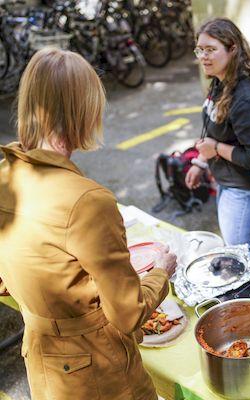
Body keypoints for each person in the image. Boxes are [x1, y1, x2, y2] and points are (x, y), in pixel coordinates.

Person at [0, 48, 177, 400]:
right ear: (83, 110)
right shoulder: (87, 201)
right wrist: (161, 271)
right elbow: (128, 315)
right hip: (99, 374)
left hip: (42, 362)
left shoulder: (5, 176)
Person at [185, 17, 250, 261]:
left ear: (232, 49)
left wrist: (216, 149)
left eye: (211, 49)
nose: (203, 56)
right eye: (200, 49)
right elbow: (214, 126)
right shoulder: (220, 81)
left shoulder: (246, 99)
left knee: (240, 252)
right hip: (236, 182)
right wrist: (201, 162)